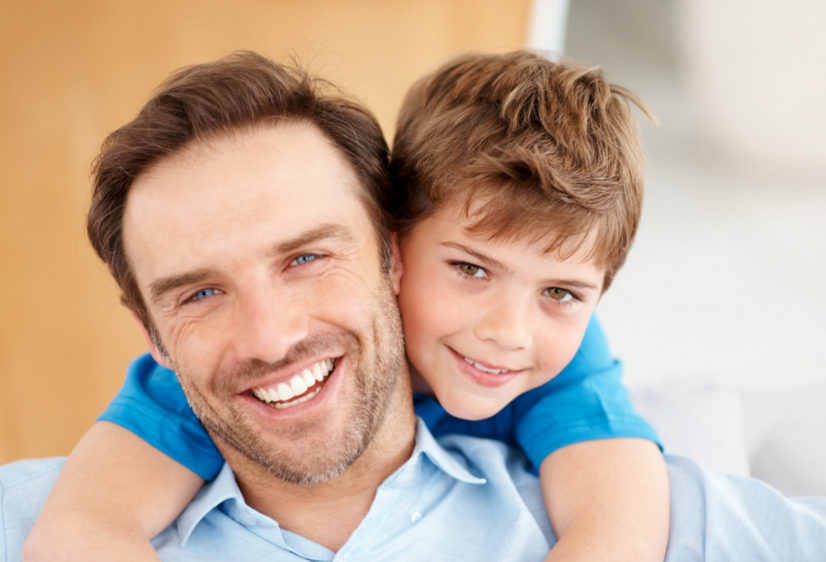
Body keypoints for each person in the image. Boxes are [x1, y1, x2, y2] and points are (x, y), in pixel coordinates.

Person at [4, 51, 825, 562]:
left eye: (307, 257)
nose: (506, 331)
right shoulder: (152, 412)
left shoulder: (577, 395)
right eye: (202, 293)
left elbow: (620, 527)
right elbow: (83, 532)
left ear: (383, 254)